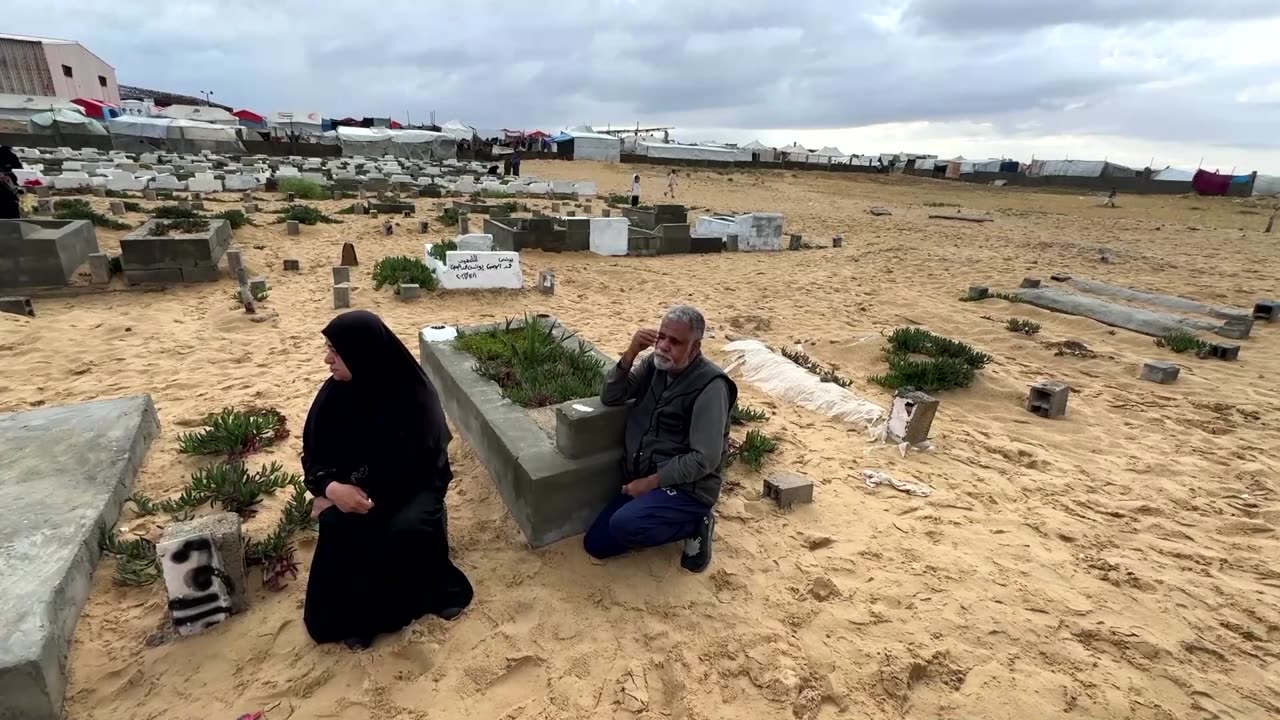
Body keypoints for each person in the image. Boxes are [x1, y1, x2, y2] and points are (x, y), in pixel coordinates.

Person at [302, 310, 473, 650]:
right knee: (342, 525)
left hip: (414, 490)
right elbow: (314, 458)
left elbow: (428, 464)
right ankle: (360, 619)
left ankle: (397, 608)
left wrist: (359, 498)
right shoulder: (333, 397)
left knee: (399, 529)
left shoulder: (413, 394)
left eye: (336, 352)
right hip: (355, 490)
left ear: (361, 353)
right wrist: (333, 490)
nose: (327, 360)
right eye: (328, 349)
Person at [583, 305, 737, 573]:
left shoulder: (710, 387)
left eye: (675, 341)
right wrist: (631, 353)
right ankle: (660, 513)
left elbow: (705, 459)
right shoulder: (655, 366)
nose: (664, 346)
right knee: (596, 544)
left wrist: (649, 483)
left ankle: (697, 522)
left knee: (624, 525)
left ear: (695, 346)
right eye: (661, 336)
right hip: (646, 477)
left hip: (687, 488)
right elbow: (611, 396)